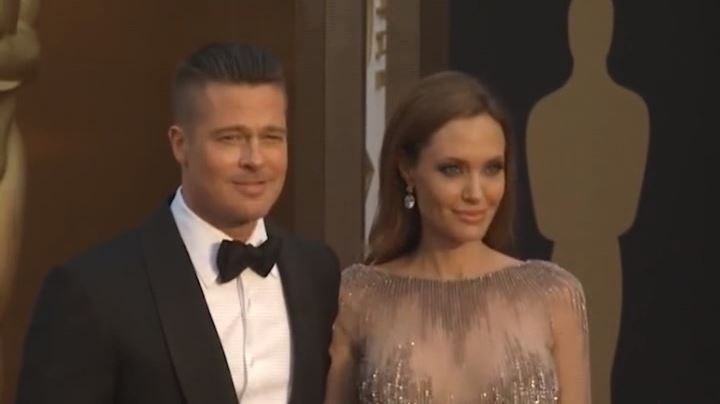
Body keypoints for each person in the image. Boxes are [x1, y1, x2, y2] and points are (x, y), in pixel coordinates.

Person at [16, 42, 340, 404]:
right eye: (231, 138)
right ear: (180, 144)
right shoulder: (92, 291)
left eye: (271, 137)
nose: (255, 159)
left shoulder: (318, 272)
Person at [324, 71, 590, 403]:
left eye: (492, 168)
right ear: (407, 169)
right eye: (453, 169)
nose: (476, 193)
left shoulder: (554, 296)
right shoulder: (358, 297)